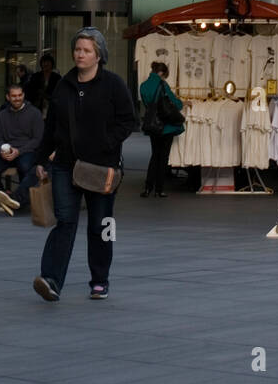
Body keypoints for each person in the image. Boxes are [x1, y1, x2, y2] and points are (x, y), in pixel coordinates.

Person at [33, 27, 136, 302]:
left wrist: (107, 142)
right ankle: (51, 280)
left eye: (86, 50)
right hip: (66, 165)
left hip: (101, 168)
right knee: (64, 221)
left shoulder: (113, 84)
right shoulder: (63, 85)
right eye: (77, 49)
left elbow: (129, 121)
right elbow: (51, 126)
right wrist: (42, 159)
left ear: (98, 55)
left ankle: (100, 279)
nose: (80, 54)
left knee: (100, 224)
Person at [0, 84, 46, 215]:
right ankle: (4, 197)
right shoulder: (2, 115)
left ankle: (20, 201)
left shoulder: (34, 113)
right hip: (6, 152)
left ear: (24, 95)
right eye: (14, 96)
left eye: (20, 95)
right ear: (8, 97)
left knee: (26, 167)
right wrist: (2, 151)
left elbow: (38, 139)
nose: (17, 98)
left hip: (26, 151)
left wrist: (19, 151)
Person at [139, 61, 184, 198]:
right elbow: (174, 103)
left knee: (154, 156)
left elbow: (148, 104)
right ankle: (159, 189)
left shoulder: (143, 86)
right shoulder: (162, 85)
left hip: (153, 125)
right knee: (163, 158)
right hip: (166, 127)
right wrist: (182, 103)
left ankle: (148, 188)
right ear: (161, 73)